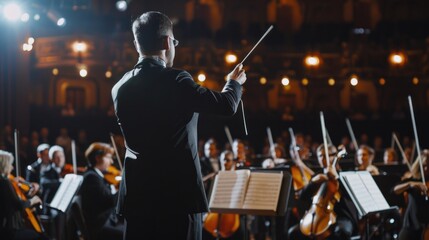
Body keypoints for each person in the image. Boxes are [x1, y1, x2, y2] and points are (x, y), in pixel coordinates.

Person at [111, 11, 246, 239]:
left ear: (136, 44)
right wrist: (234, 83)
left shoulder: (119, 86)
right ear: (167, 42)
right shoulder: (176, 80)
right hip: (177, 198)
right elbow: (226, 106)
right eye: (174, 41)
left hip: (137, 197)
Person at [80, 142, 124, 240]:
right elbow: (108, 201)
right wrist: (122, 188)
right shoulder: (91, 177)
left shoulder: (95, 175)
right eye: (108, 157)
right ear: (98, 157)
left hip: (106, 220)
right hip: (100, 226)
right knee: (127, 233)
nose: (111, 161)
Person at [0, 150, 48, 240]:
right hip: (9, 231)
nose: (12, 168)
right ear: (4, 165)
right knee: (41, 237)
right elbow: (19, 205)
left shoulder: (4, 182)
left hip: (4, 229)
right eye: (10, 164)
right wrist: (33, 200)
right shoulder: (4, 182)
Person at [394, 149, 429, 240]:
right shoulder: (414, 181)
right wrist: (410, 184)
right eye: (424, 165)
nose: (426, 169)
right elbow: (395, 189)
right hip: (411, 224)